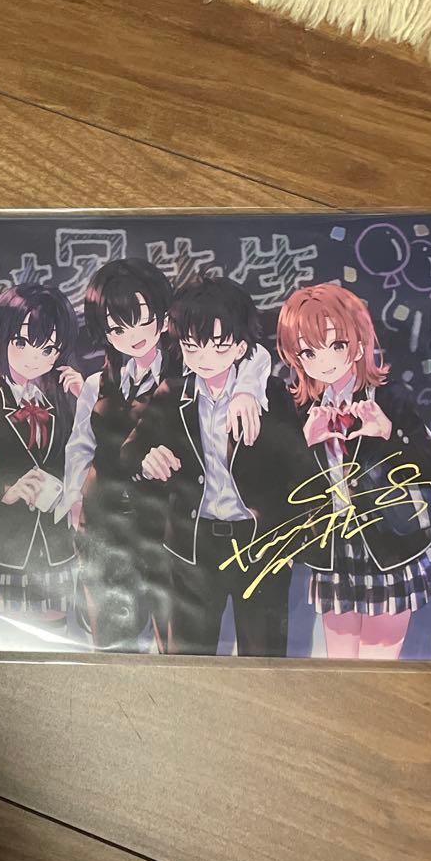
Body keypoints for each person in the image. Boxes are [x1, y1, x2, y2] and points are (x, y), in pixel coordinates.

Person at [61, 258, 269, 649]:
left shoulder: (191, 364)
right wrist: (73, 497)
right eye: (117, 327)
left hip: (166, 528)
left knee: (173, 646)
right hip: (103, 527)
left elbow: (253, 353)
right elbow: (80, 444)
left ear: (162, 313)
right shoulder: (97, 382)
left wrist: (246, 389)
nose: (133, 335)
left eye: (142, 319)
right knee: (111, 644)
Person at [120, 274, 317, 658]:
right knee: (188, 663)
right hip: (192, 548)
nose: (205, 357)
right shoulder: (172, 394)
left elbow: (301, 471)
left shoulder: (269, 395)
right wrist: (146, 461)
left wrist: (292, 541)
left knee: (264, 665)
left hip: (260, 547)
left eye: (219, 345)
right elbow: (128, 455)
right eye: (192, 346)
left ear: (240, 346)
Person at [277, 283, 431, 659]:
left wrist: (389, 433)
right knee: (341, 668)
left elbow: (429, 469)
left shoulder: (390, 397)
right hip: (333, 550)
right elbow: (286, 491)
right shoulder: (301, 410)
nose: (325, 360)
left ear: (358, 341)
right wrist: (303, 444)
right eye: (309, 351)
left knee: (379, 665)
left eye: (337, 344)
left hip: (388, 545)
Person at [0, 284, 80, 633]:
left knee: (53, 637)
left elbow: (86, 457)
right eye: (21, 343)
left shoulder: (65, 403)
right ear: (0, 340)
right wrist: (4, 491)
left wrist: (85, 399)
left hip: (53, 546)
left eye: (48, 349)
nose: (33, 358)